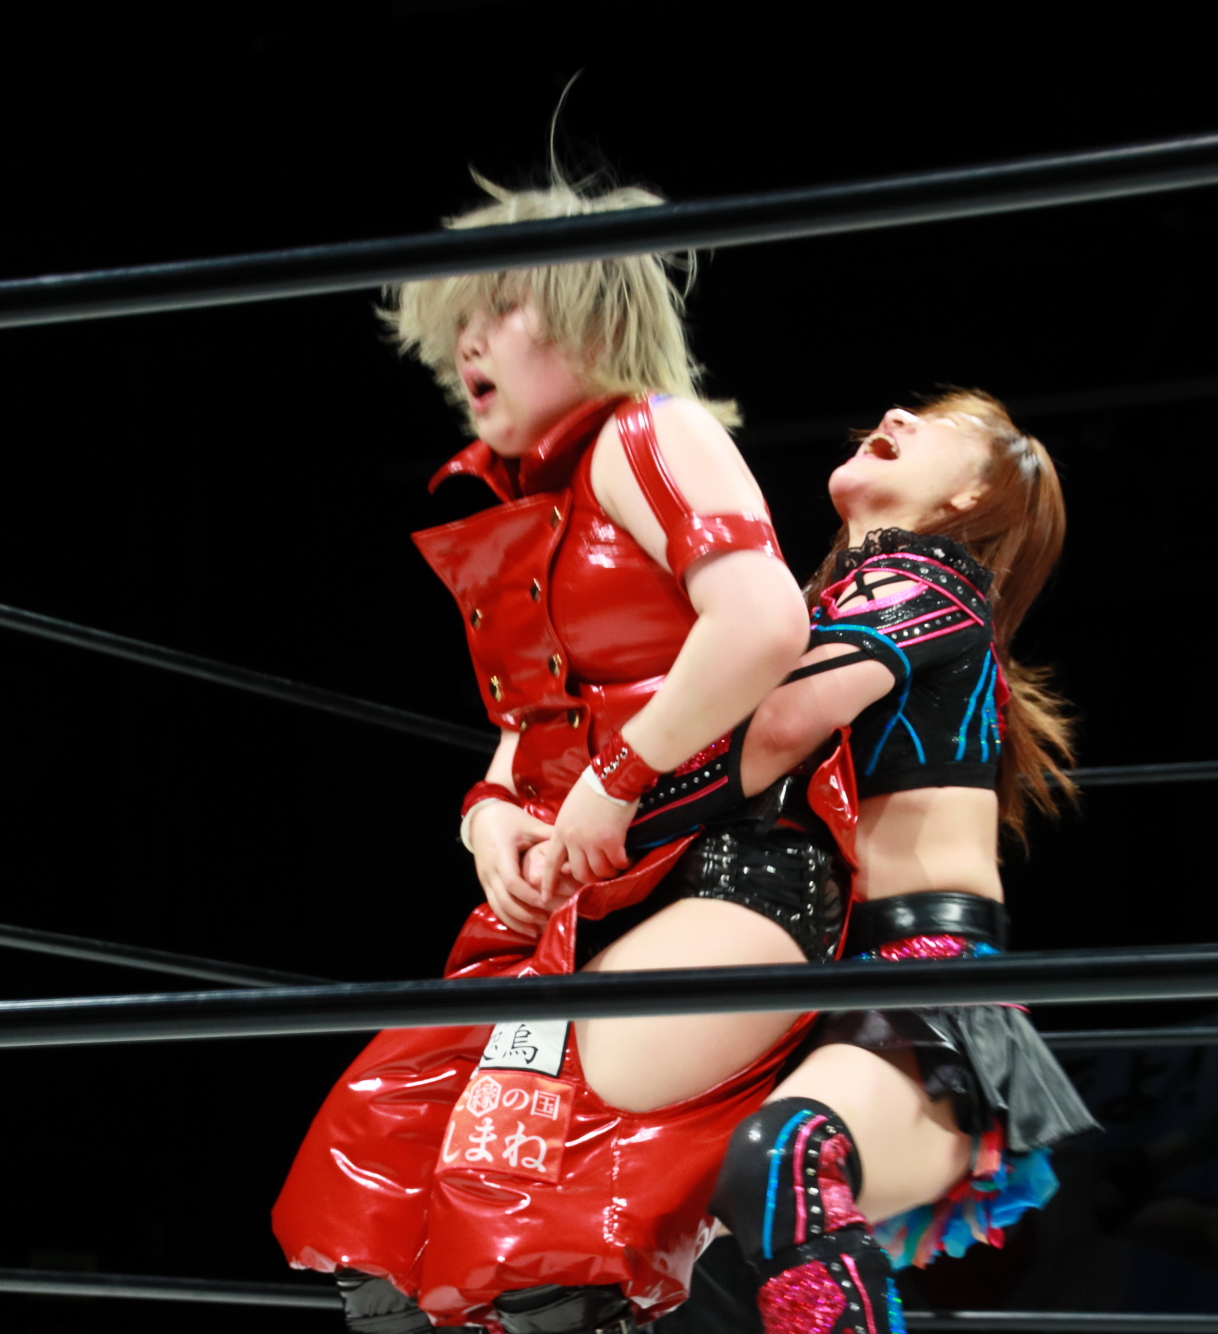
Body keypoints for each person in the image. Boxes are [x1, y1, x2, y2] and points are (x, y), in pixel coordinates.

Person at [270, 174, 858, 1334]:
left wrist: (618, 777)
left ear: (590, 313)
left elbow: (760, 619)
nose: (466, 346)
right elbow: (527, 723)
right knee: (386, 1168)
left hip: (724, 862)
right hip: (580, 901)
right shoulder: (533, 504)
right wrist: (489, 814)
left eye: (496, 310)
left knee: (536, 1217)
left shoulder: (654, 430)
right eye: (456, 325)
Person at [688, 392, 1101, 1334]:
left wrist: (604, 790)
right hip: (811, 976)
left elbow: (771, 728)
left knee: (787, 1158)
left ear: (968, 497)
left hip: (920, 986)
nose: (896, 413)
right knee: (673, 1231)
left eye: (939, 423)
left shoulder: (931, 580)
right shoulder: (825, 606)